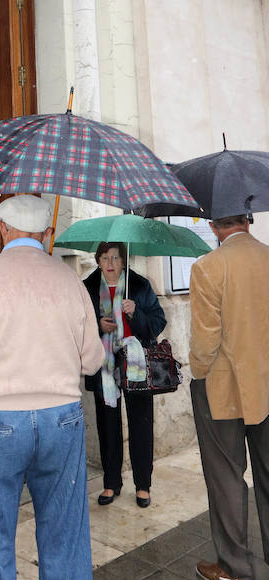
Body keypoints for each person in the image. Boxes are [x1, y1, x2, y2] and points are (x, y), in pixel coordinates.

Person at [0, 195, 104, 580]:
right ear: (46, 232)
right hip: (61, 419)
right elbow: (92, 360)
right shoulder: (69, 279)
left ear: (1, 229)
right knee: (64, 534)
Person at [190, 214, 269, 580]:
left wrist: (197, 372)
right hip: (266, 384)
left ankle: (235, 567)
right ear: (248, 221)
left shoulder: (208, 266)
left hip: (223, 389)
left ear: (214, 226)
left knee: (226, 478)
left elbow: (205, 340)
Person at [83, 242, 166, 509]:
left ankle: (143, 485)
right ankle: (111, 482)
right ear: (97, 260)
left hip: (136, 362)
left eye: (116, 258)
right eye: (105, 258)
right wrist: (98, 325)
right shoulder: (87, 287)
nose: (110, 264)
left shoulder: (139, 285)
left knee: (141, 424)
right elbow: (76, 325)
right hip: (104, 364)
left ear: (124, 261)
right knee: (107, 425)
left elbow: (158, 322)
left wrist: (136, 313)